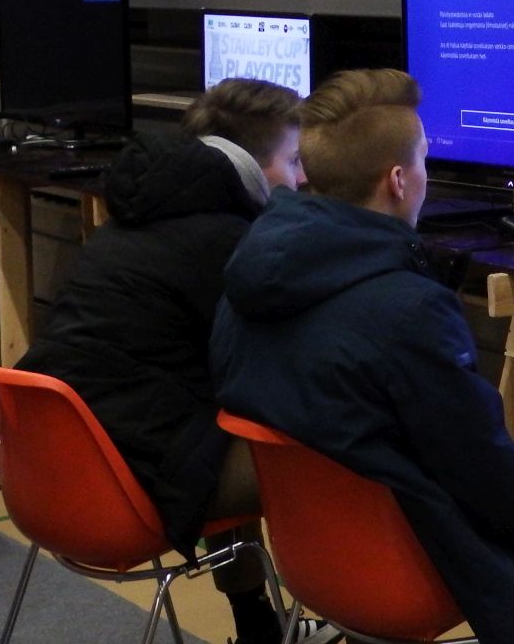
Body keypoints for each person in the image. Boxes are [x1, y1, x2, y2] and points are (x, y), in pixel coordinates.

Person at [211, 69, 514, 644]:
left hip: (323, 562)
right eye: (423, 158)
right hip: (429, 553)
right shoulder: (407, 311)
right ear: (397, 180)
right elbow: (503, 497)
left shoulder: (247, 279)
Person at [16, 78, 303, 644]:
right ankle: (360, 622)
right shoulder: (227, 240)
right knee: (330, 457)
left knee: (220, 432)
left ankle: (258, 625)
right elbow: (279, 364)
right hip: (126, 481)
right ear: (249, 167)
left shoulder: (134, 219)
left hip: (50, 470)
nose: (302, 179)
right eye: (293, 161)